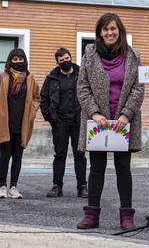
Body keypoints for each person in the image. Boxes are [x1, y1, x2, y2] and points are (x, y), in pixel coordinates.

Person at [76, 13, 144, 230]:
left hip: (123, 122)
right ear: (99, 33)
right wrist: (95, 113)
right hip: (98, 123)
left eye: (113, 28)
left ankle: (126, 215)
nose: (109, 32)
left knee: (123, 168)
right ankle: (92, 214)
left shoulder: (133, 56)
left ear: (120, 30)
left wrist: (126, 115)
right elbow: (82, 87)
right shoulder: (89, 56)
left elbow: (138, 88)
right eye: (105, 29)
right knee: (96, 168)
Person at [0, 48, 40, 199]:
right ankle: (2, 186)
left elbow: (37, 98)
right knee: (5, 156)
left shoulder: (30, 79)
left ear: (25, 60)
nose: (18, 62)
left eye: (20, 59)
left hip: (21, 124)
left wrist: (33, 111)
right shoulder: (1, 77)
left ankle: (14, 187)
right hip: (5, 123)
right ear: (10, 61)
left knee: (18, 156)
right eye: (14, 59)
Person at [41, 47, 88, 198]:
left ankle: (82, 186)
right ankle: (56, 186)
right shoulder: (51, 78)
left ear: (71, 58)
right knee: (59, 155)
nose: (65, 61)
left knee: (79, 154)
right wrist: (50, 117)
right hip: (59, 122)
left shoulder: (81, 74)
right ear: (57, 62)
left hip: (78, 121)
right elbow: (44, 99)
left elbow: (89, 93)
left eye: (67, 58)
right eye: (61, 60)